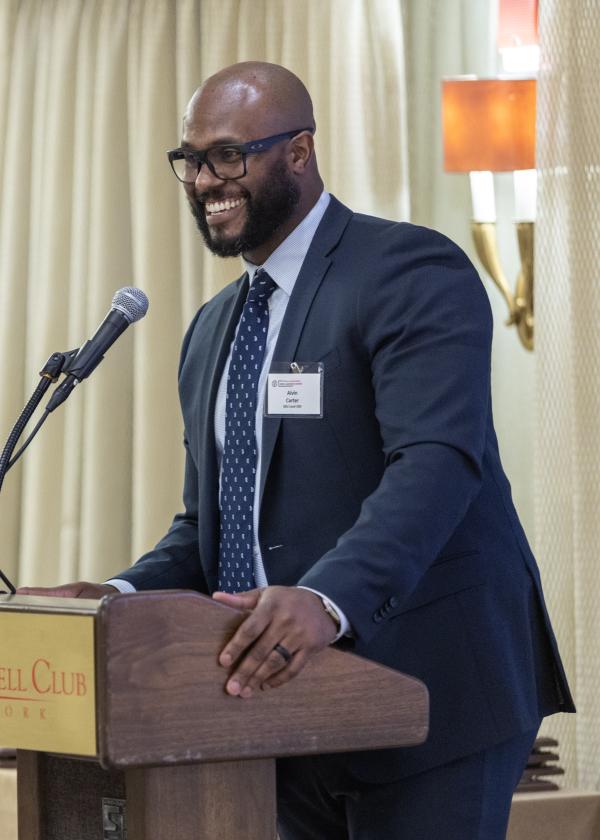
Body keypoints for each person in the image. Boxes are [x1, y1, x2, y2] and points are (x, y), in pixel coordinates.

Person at [19, 62, 574, 839]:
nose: (205, 180)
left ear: (300, 152)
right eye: (191, 160)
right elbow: (211, 527)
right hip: (276, 712)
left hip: (428, 691)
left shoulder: (410, 272)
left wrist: (323, 600)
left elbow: (436, 465)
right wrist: (116, 599)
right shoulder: (214, 329)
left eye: (227, 155)